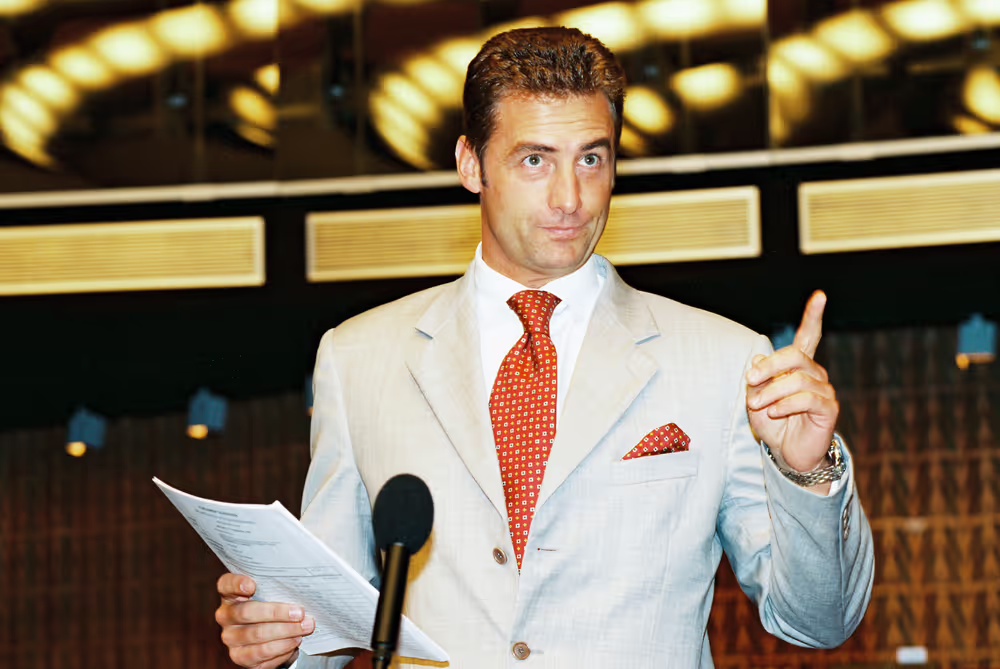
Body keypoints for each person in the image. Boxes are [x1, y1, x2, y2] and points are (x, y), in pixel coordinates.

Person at [215, 27, 874, 669]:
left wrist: (807, 473)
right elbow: (326, 624)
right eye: (535, 160)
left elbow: (816, 622)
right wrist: (276, 638)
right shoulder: (358, 358)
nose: (571, 198)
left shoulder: (727, 360)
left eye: (591, 157)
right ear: (471, 164)